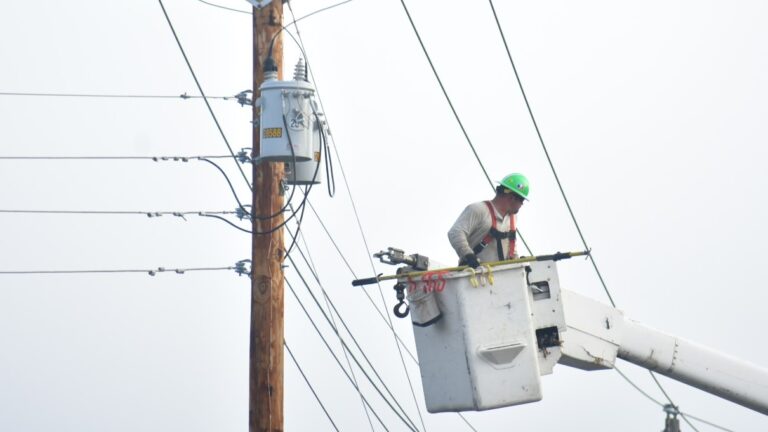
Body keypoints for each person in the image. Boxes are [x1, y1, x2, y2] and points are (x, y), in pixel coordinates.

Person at [448, 173, 529, 268]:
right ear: (512, 198)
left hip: (501, 277)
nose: (522, 205)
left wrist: (519, 263)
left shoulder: (512, 219)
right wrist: (469, 255)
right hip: (474, 277)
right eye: (522, 201)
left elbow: (510, 248)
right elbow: (455, 232)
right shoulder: (479, 210)